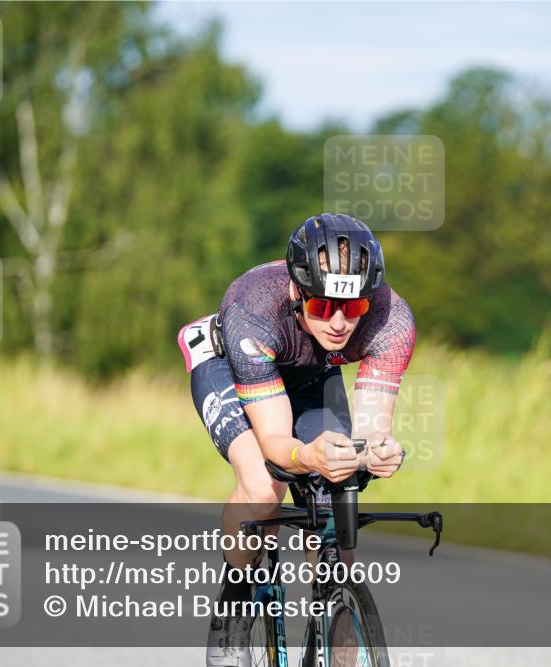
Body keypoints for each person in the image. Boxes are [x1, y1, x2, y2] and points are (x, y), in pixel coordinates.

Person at [178, 213, 416, 667]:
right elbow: (275, 441)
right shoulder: (252, 307)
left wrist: (377, 451)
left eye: (354, 308)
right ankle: (235, 601)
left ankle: (338, 627)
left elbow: (370, 430)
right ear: (296, 291)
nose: (340, 323)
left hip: (310, 371)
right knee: (264, 485)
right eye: (323, 307)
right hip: (231, 362)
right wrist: (306, 455)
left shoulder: (392, 321)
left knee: (336, 489)